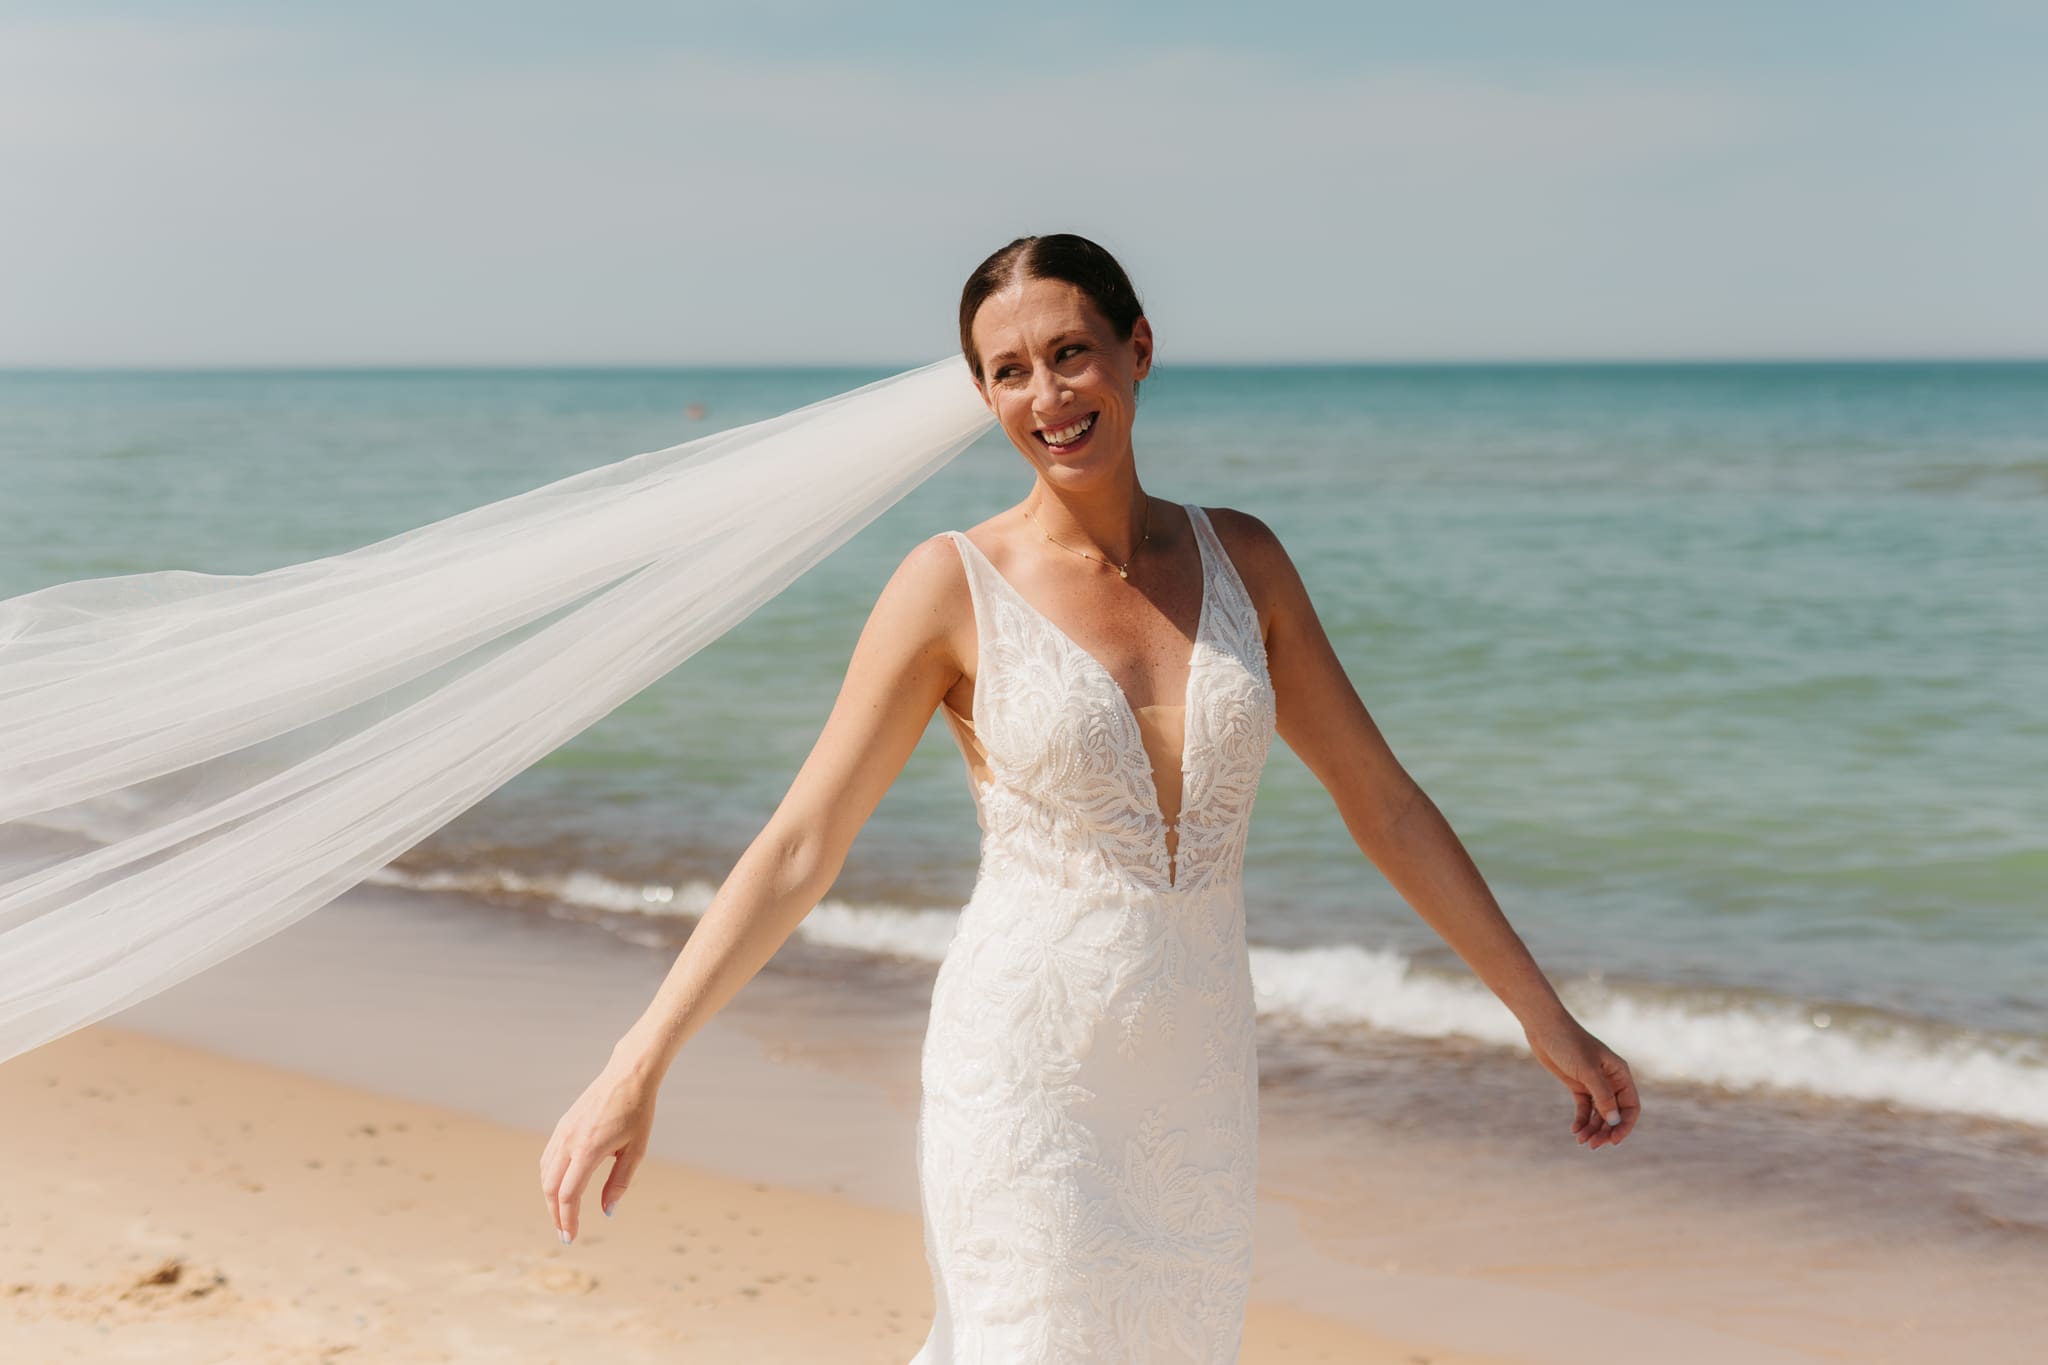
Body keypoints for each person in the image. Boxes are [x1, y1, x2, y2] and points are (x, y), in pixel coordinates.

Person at [537, 234, 1642, 1360]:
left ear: (1138, 348)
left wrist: (1540, 1015)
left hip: (1195, 1073)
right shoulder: (949, 584)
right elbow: (800, 844)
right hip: (1026, 1068)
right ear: (980, 394)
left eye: (1069, 353)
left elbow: (1384, 804)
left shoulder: (1245, 563)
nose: (1046, 395)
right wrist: (636, 1070)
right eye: (1007, 371)